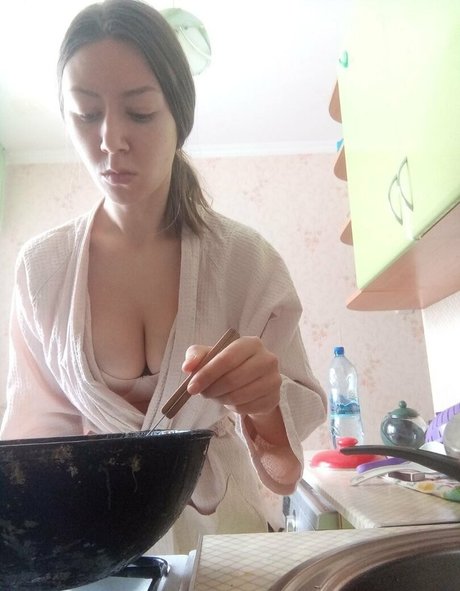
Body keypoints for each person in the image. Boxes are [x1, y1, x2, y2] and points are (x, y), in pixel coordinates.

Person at [0, 0, 326, 553]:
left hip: (229, 541)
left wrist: (264, 404)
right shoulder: (42, 271)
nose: (111, 139)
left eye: (140, 112)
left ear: (180, 117)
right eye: (86, 113)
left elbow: (282, 472)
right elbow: (34, 451)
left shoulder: (248, 264)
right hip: (100, 548)